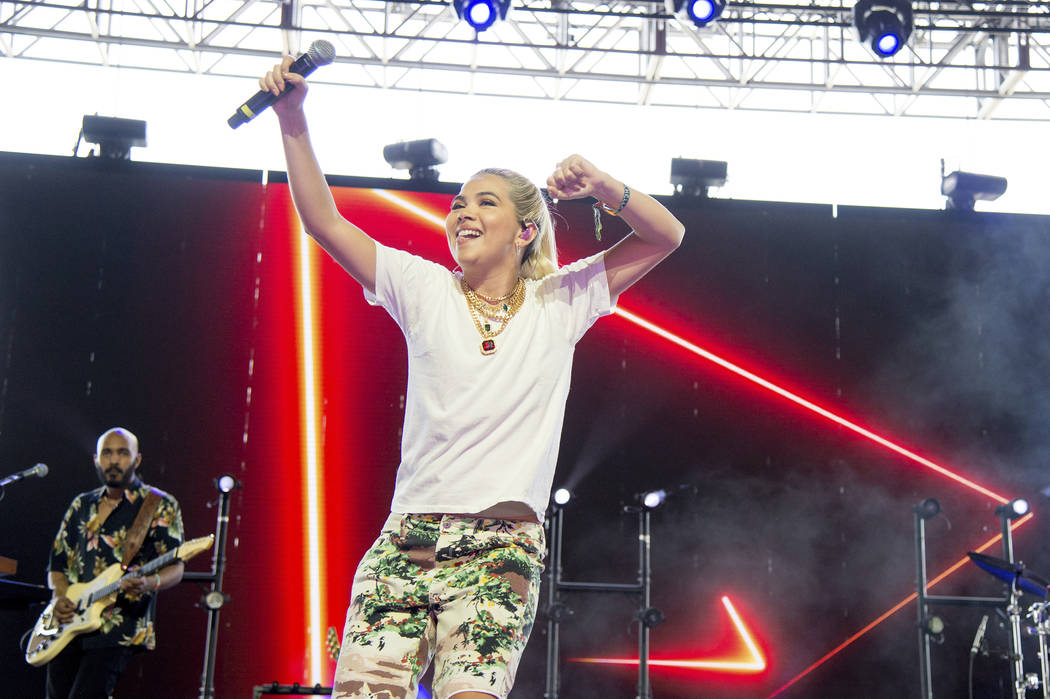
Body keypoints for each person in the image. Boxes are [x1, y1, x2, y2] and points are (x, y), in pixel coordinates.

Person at [260, 54, 685, 699]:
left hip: (500, 548)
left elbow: (665, 235)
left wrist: (601, 185)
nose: (462, 211)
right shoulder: (423, 286)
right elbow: (323, 220)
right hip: (407, 538)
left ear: (525, 230)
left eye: (485, 202)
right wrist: (292, 117)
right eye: (458, 202)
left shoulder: (562, 301)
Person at [45, 427, 185, 699]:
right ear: (96, 460)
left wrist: (149, 582)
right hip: (68, 623)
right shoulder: (80, 505)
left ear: (137, 459)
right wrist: (59, 597)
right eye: (107, 453)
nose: (114, 460)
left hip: (117, 625)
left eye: (122, 453)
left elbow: (177, 566)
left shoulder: (158, 504)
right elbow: (57, 564)